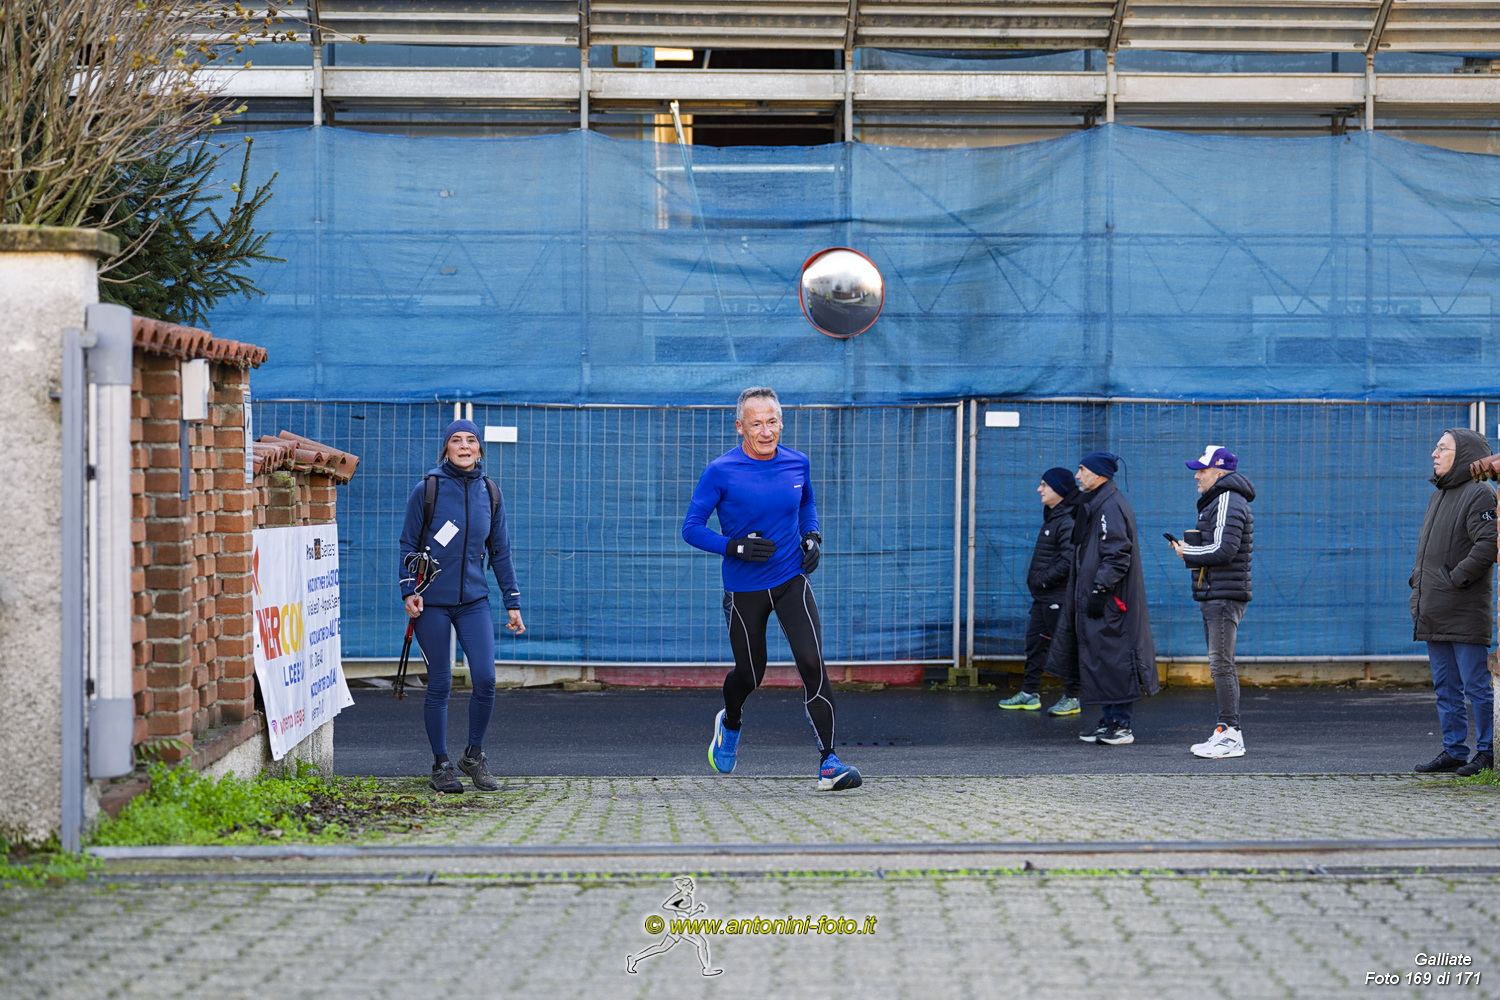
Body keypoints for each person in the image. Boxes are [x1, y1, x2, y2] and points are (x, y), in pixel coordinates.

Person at [682, 386, 861, 791]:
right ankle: (730, 722)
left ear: (782, 422)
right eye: (756, 424)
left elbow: (806, 504)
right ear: (740, 427)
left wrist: (812, 536)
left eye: (773, 422)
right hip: (744, 589)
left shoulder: (798, 462)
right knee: (750, 674)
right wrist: (734, 546)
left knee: (812, 662)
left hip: (791, 578)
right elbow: (691, 528)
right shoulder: (721, 471)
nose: (766, 432)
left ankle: (829, 762)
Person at [399, 419, 525, 793]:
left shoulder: (491, 492)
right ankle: (441, 765)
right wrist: (408, 591)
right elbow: (408, 544)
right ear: (447, 448)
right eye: (457, 440)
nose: (465, 446)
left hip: (474, 602)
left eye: (471, 440)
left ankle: (473, 756)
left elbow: (500, 551)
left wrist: (512, 602)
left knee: (485, 678)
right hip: (431, 603)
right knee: (440, 683)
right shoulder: (428, 489)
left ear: (480, 449)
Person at [1046, 451, 1159, 745]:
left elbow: (1117, 554)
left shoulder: (1111, 506)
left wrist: (1101, 589)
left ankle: (1121, 725)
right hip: (1100, 598)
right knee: (1102, 658)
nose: (1077, 475)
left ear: (1098, 474)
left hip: (1111, 601)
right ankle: (1109, 721)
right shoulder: (1098, 503)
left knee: (1114, 659)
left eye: (1082, 469)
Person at [1410, 428, 1496, 777]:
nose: (1434, 453)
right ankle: (1455, 751)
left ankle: (1487, 752)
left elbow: (1488, 544)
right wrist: (1419, 581)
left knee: (1476, 686)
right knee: (1446, 687)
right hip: (1435, 607)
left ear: (1463, 455)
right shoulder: (1440, 495)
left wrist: (1454, 579)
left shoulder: (1480, 493)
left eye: (1442, 448)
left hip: (1463, 608)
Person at [1169, 446, 1255, 759]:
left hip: (1222, 596)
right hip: (1216, 593)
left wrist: (1187, 552)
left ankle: (1231, 734)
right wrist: (1192, 551)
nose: (1196, 476)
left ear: (1219, 473)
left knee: (1221, 664)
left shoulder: (1228, 499)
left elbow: (1224, 550)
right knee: (1220, 663)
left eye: (1202, 470)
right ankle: (1226, 731)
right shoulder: (1221, 499)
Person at [999, 467, 1083, 716]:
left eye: (1045, 485)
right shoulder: (1054, 516)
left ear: (1060, 489)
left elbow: (1069, 560)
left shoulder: (1068, 519)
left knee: (1067, 647)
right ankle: (1029, 694)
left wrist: (1042, 580)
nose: (1039, 489)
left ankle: (1072, 697)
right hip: (1044, 597)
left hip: (1058, 597)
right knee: (1035, 644)